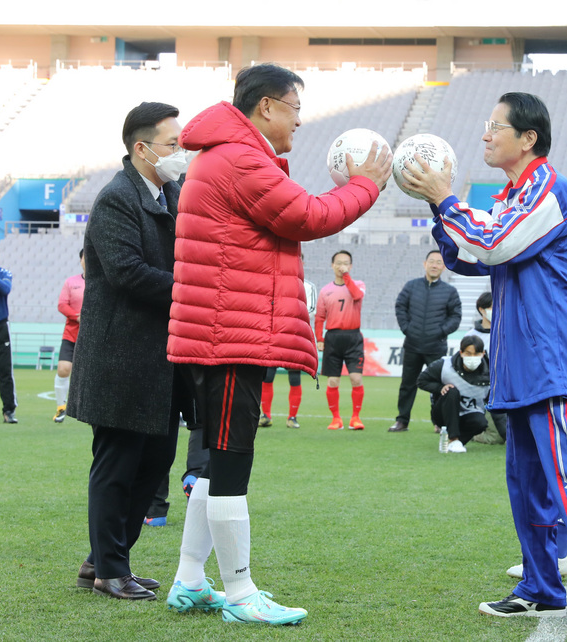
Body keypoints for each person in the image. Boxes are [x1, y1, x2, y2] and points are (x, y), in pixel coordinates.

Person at [399, 92, 567, 632]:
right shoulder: (511, 194)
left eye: (495, 126)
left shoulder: (550, 190)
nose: (485, 135)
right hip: (520, 365)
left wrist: (447, 195)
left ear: (527, 138)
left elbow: (492, 243)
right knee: (527, 484)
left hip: (554, 360)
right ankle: (541, 587)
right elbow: (467, 254)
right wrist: (438, 204)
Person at [165, 63, 391, 624]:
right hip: (230, 337)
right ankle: (240, 595)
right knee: (231, 464)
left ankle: (190, 581)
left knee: (218, 464)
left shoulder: (225, 154)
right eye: (295, 109)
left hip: (225, 331)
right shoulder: (238, 157)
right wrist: (365, 184)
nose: (298, 123)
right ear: (267, 106)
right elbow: (309, 214)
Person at [68, 101, 192, 601]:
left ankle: (104, 559)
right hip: (120, 357)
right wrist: (194, 286)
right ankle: (109, 571)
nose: (180, 152)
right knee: (117, 463)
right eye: (172, 144)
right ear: (142, 149)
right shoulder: (116, 198)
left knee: (156, 459)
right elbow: (127, 273)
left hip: (160, 359)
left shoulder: (172, 192)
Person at [389, 249, 461, 433]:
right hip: (412, 345)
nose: (435, 265)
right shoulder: (411, 286)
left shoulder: (450, 291)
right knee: (407, 384)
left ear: (444, 267)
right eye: (432, 261)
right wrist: (407, 329)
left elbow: (455, 317)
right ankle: (402, 421)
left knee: (438, 387)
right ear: (425, 264)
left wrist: (440, 332)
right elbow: (400, 307)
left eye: (439, 262)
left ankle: (439, 422)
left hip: (436, 347)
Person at [259, 267, 318, 429]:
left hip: (294, 336)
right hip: (274, 337)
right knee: (268, 376)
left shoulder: (308, 286)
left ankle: (292, 417)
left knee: (294, 377)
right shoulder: (275, 283)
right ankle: (266, 415)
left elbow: (311, 310)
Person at [315, 250, 367, 431]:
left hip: (353, 337)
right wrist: (320, 338)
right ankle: (336, 418)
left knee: (356, 378)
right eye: (338, 263)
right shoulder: (325, 290)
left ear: (351, 266)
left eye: (345, 263)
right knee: (333, 382)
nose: (342, 266)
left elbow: (357, 296)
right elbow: (320, 317)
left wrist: (346, 276)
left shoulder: (358, 285)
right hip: (333, 338)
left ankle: (355, 418)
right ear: (332, 265)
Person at [417, 334, 488, 452]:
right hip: (443, 413)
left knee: (481, 423)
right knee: (451, 391)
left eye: (476, 354)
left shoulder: (492, 373)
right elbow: (421, 381)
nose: (472, 357)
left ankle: (455, 442)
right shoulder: (444, 365)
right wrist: (440, 387)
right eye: (468, 353)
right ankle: (453, 438)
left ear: (483, 354)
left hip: (470, 413)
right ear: (461, 353)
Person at [464, 291, 507, 444]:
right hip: (482, 392)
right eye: (492, 307)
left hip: (505, 389)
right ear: (482, 310)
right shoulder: (471, 336)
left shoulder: (506, 331)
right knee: (496, 437)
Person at [53, 248, 85, 423]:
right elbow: (62, 304)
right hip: (72, 334)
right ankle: (61, 408)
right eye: (84, 257)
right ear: (80, 260)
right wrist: (77, 316)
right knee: (64, 369)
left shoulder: (101, 282)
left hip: (91, 337)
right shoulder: (71, 282)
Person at [0, 254, 17, 424]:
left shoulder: (4, 273)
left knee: (5, 371)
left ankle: (9, 410)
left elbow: (5, 289)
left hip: (1, 327)